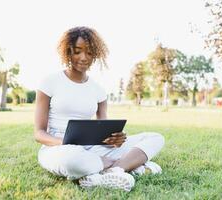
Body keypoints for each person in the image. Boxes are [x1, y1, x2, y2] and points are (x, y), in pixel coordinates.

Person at [34, 26, 165, 192]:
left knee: (155, 138)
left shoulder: (98, 90)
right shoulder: (49, 82)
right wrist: (65, 142)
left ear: (95, 54)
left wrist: (115, 139)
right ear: (68, 51)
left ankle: (114, 170)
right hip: (58, 148)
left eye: (89, 52)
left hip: (92, 148)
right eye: (77, 51)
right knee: (71, 160)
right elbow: (39, 133)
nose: (83, 57)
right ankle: (129, 166)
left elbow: (102, 130)